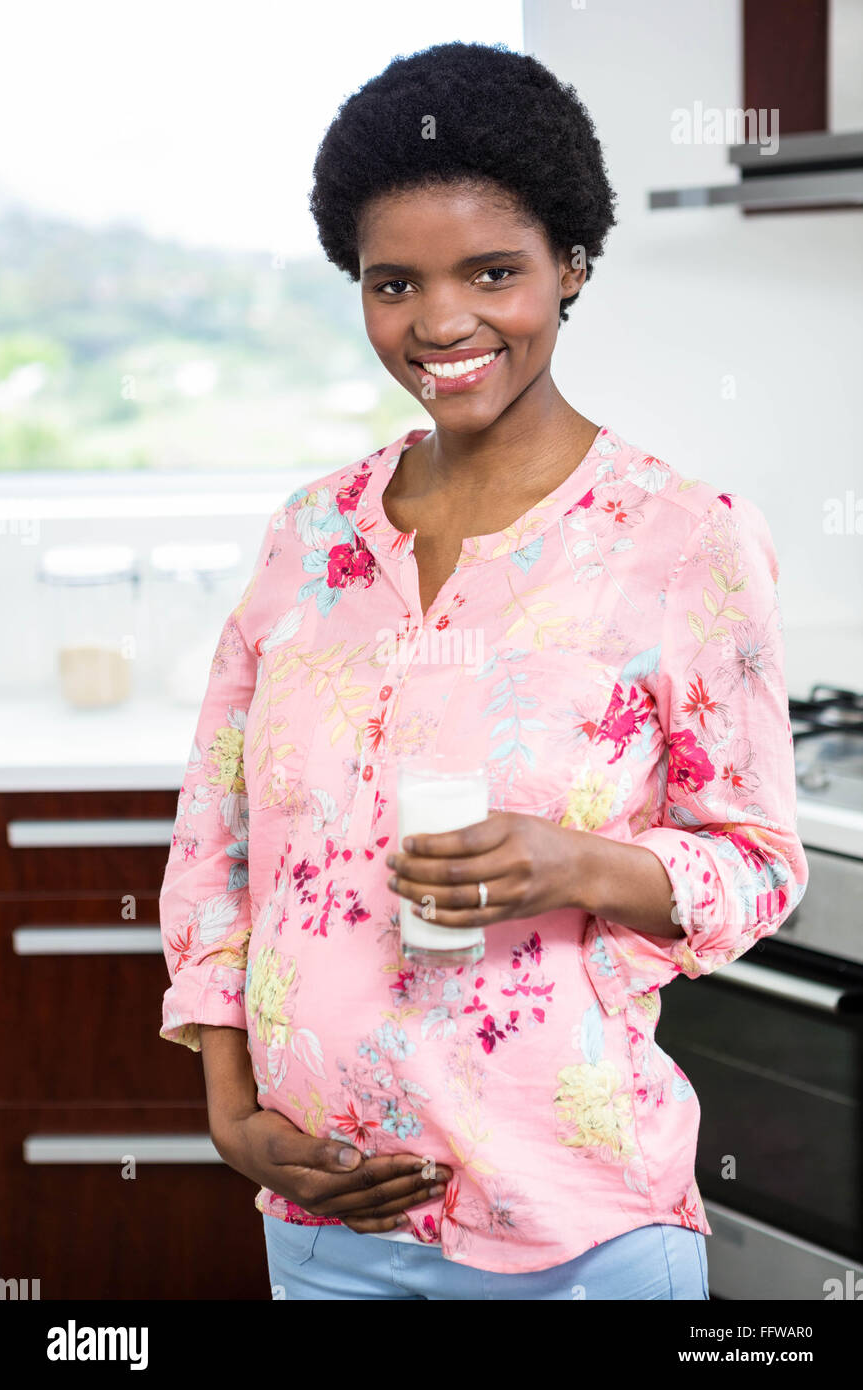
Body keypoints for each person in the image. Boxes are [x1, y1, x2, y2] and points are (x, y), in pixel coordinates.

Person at [158, 40, 808, 1300]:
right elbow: (214, 842)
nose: (440, 323)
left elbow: (758, 860)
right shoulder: (310, 534)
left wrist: (576, 863)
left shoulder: (680, 537)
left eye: (492, 272)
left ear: (570, 267)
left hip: (576, 1229)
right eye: (393, 282)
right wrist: (230, 1111)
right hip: (324, 1218)